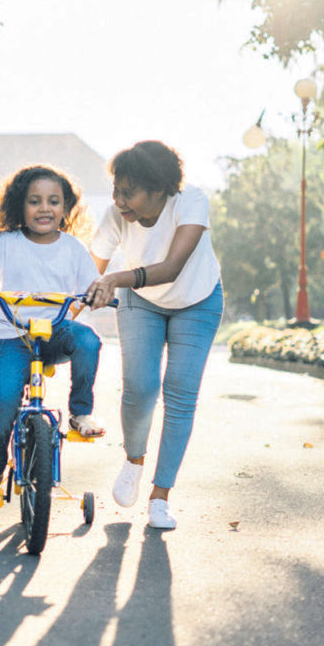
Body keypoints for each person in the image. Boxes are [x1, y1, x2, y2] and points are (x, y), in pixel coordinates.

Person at [85, 140, 223, 530]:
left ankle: (160, 497)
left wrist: (115, 279)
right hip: (140, 301)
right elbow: (89, 273)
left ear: (159, 188)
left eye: (128, 192)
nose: (118, 200)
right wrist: (63, 313)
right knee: (140, 386)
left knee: (180, 393)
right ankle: (134, 460)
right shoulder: (116, 215)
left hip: (197, 300)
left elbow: (173, 267)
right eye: (115, 189)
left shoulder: (190, 201)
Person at [0, 165, 104, 515]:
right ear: (20, 205)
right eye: (34, 201)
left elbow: (93, 285)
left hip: (55, 331)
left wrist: (99, 294)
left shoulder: (73, 248)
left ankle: (80, 413)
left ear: (65, 208)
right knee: (5, 400)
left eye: (54, 201)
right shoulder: (6, 242)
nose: (44, 208)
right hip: (11, 334)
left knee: (89, 341)